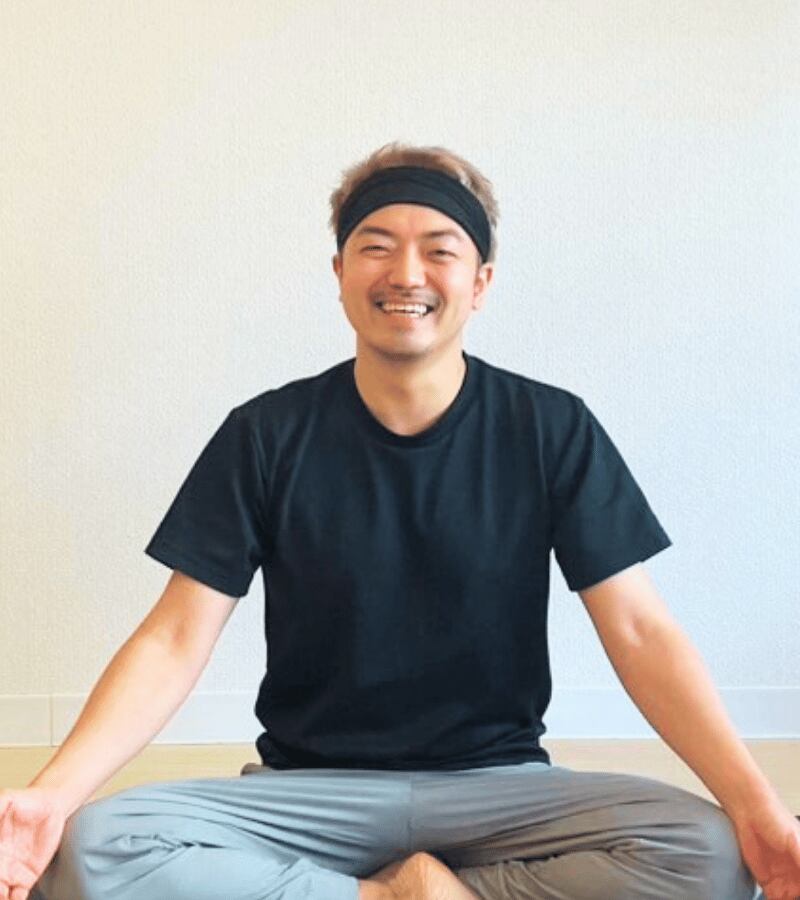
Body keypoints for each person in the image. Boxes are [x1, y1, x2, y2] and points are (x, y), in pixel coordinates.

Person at [1, 142, 798, 900]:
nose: (406, 273)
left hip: (499, 792)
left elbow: (640, 632)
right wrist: (51, 795)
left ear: (480, 282)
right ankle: (395, 892)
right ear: (340, 273)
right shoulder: (266, 435)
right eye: (376, 247)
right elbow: (174, 639)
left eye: (439, 250)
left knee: (711, 851)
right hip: (309, 792)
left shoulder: (551, 428)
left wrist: (758, 807)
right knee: (93, 845)